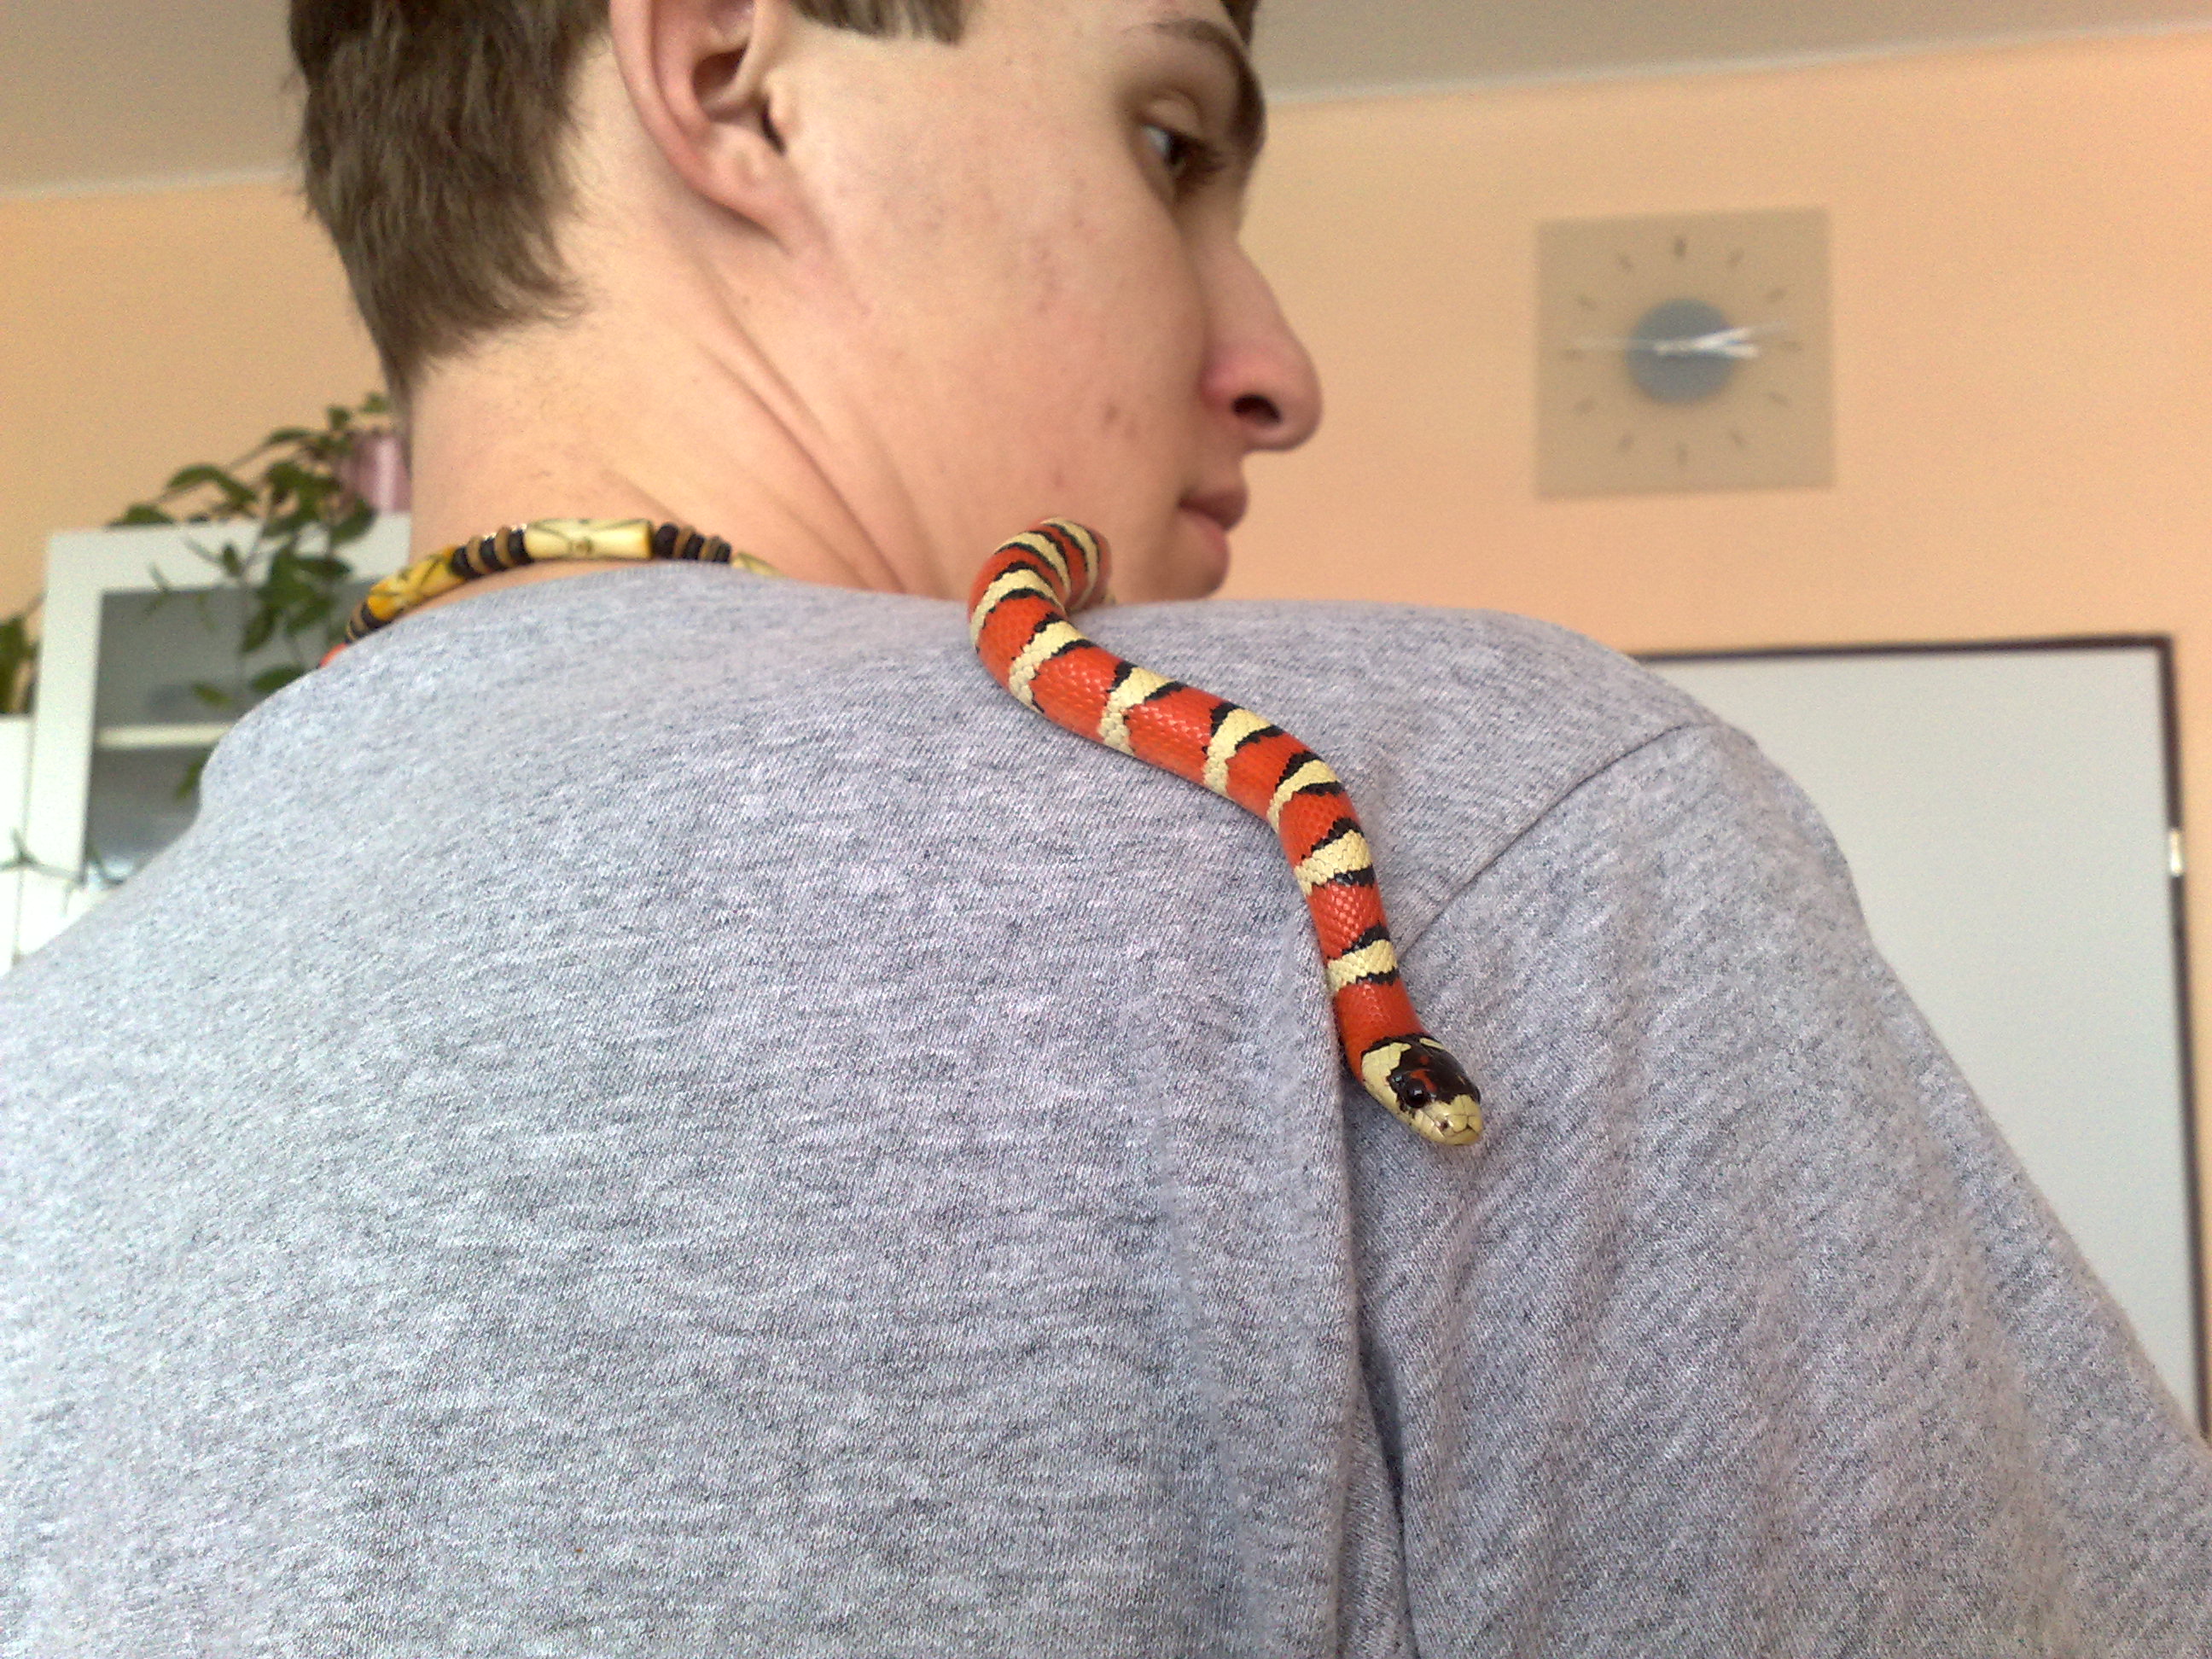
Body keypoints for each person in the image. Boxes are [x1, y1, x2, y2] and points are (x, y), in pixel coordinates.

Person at [4, 0, 2210, 1650]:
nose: (1278, 368)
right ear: (735, 76)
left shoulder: (56, 1061)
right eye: (1167, 141)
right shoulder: (1511, 822)